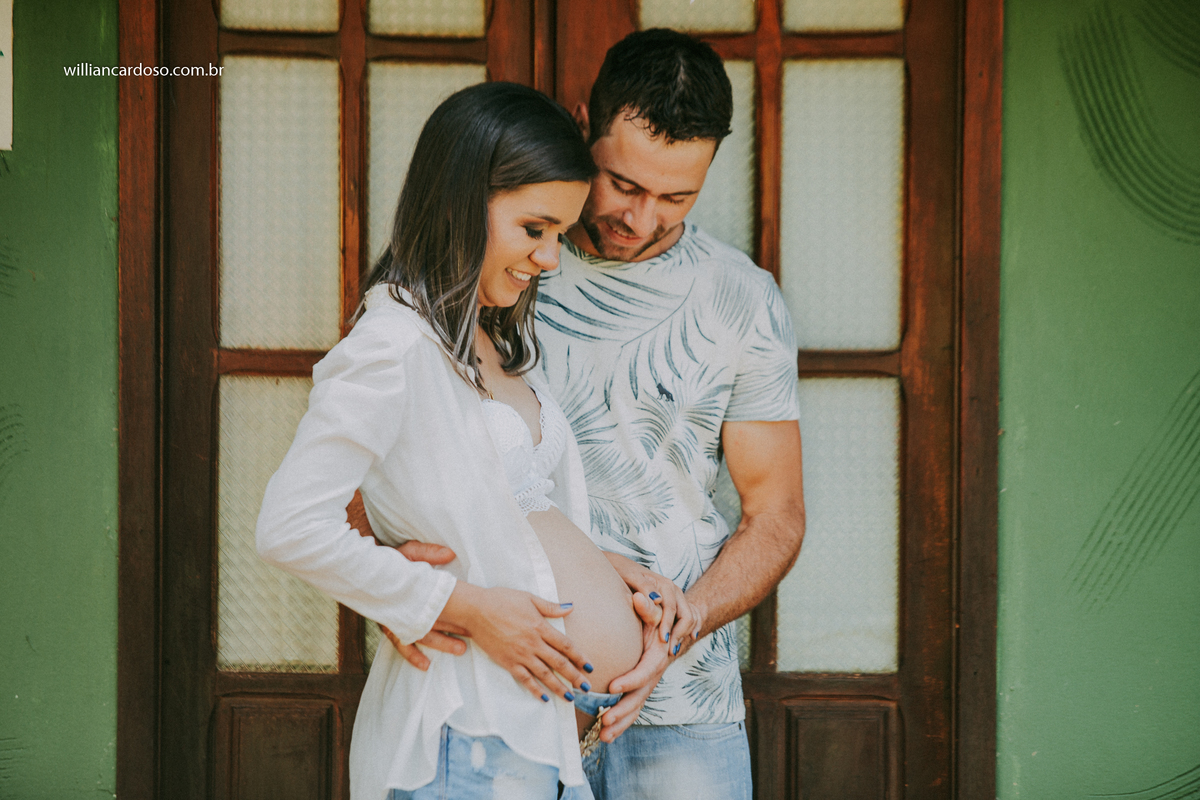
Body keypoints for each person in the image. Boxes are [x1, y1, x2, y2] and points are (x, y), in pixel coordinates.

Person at [386, 30, 807, 800]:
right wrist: (395, 586)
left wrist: (679, 629)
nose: (642, 219)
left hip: (683, 702)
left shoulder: (744, 302)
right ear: (584, 120)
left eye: (677, 197)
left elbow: (776, 515)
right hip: (499, 690)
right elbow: (380, 444)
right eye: (623, 184)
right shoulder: (500, 266)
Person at [256, 81, 689, 800]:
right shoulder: (393, 342)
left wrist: (611, 571)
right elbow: (289, 528)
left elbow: (497, 509)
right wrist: (462, 606)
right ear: (462, 203)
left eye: (559, 234)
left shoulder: (487, 338)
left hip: (532, 734)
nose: (550, 259)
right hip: (466, 737)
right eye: (534, 229)